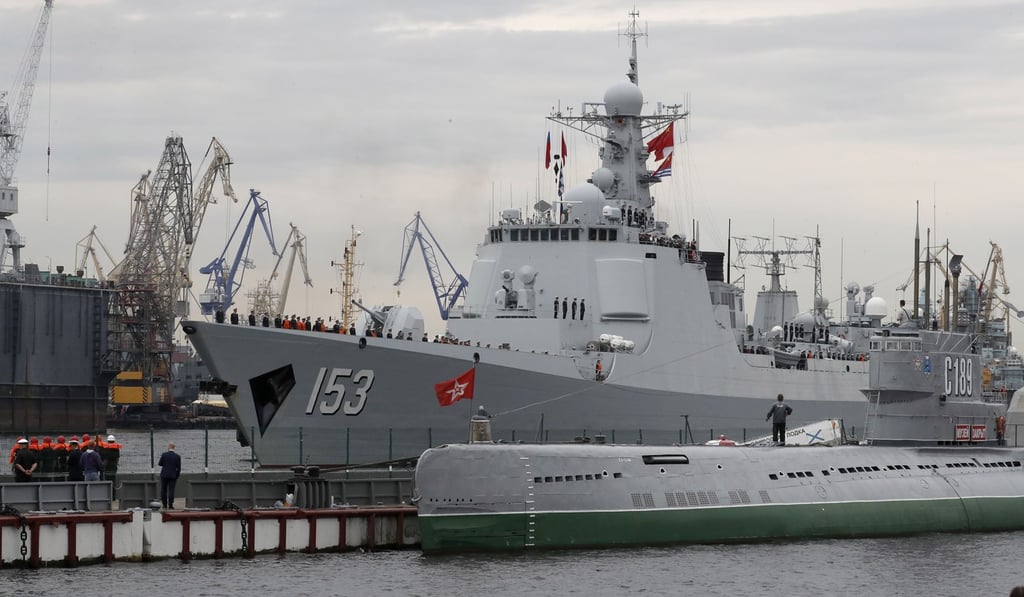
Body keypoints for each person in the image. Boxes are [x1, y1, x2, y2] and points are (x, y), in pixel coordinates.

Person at [159, 442, 182, 509]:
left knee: (164, 490)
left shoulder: (164, 455)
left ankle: (164, 504)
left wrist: (166, 464)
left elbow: (160, 464)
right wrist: (177, 475)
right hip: (173, 475)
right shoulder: (177, 456)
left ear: (168, 447)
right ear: (174, 448)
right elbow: (179, 468)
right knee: (171, 490)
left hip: (164, 474)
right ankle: (171, 505)